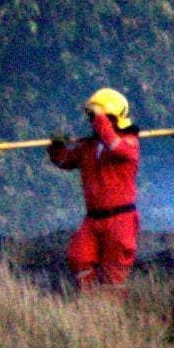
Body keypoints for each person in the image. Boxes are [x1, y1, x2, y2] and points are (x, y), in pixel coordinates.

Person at [50, 87, 143, 288]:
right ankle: (91, 304)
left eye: (95, 117)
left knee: (114, 274)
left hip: (121, 220)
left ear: (110, 117)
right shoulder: (90, 147)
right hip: (93, 219)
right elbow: (65, 161)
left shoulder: (129, 143)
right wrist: (56, 148)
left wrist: (100, 118)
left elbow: (114, 146)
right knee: (79, 257)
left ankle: (111, 312)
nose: (92, 121)